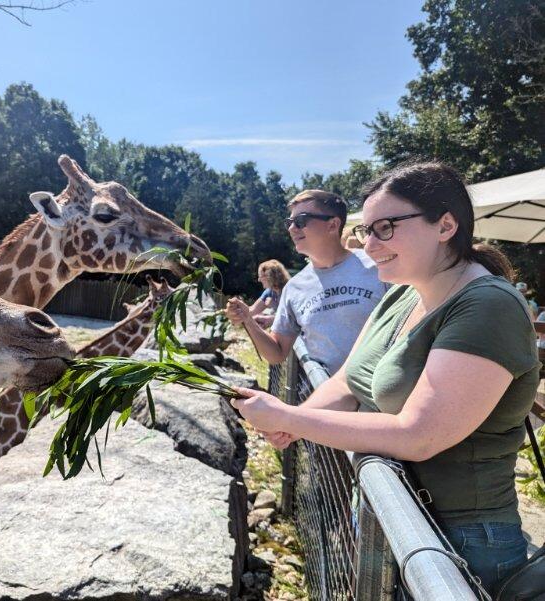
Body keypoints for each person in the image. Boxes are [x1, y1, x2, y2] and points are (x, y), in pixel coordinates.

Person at [231, 162, 539, 596]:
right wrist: (289, 420)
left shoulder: (487, 306)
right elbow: (347, 382)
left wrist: (291, 419)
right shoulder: (402, 292)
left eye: (385, 228)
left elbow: (419, 434)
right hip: (389, 517)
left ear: (446, 225)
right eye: (367, 229)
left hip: (462, 542)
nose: (368, 244)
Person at [226, 189, 389, 375]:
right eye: (289, 222)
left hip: (385, 399)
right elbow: (277, 353)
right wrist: (248, 320)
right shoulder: (294, 288)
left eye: (301, 221)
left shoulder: (378, 266)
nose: (291, 228)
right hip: (326, 399)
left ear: (333, 225)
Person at [250, 260, 291, 328]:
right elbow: (252, 311)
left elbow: (293, 317)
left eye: (260, 276)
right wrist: (238, 309)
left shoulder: (290, 290)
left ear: (269, 276)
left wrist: (276, 306)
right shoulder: (269, 292)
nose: (259, 280)